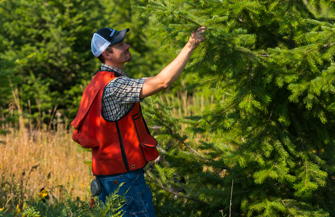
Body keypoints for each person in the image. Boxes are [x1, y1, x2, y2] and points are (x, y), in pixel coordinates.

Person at [71, 26, 206, 217]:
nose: (127, 46)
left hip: (107, 181)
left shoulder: (97, 83)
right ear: (106, 54)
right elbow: (162, 82)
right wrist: (191, 45)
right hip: (125, 181)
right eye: (119, 44)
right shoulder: (115, 87)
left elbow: (154, 80)